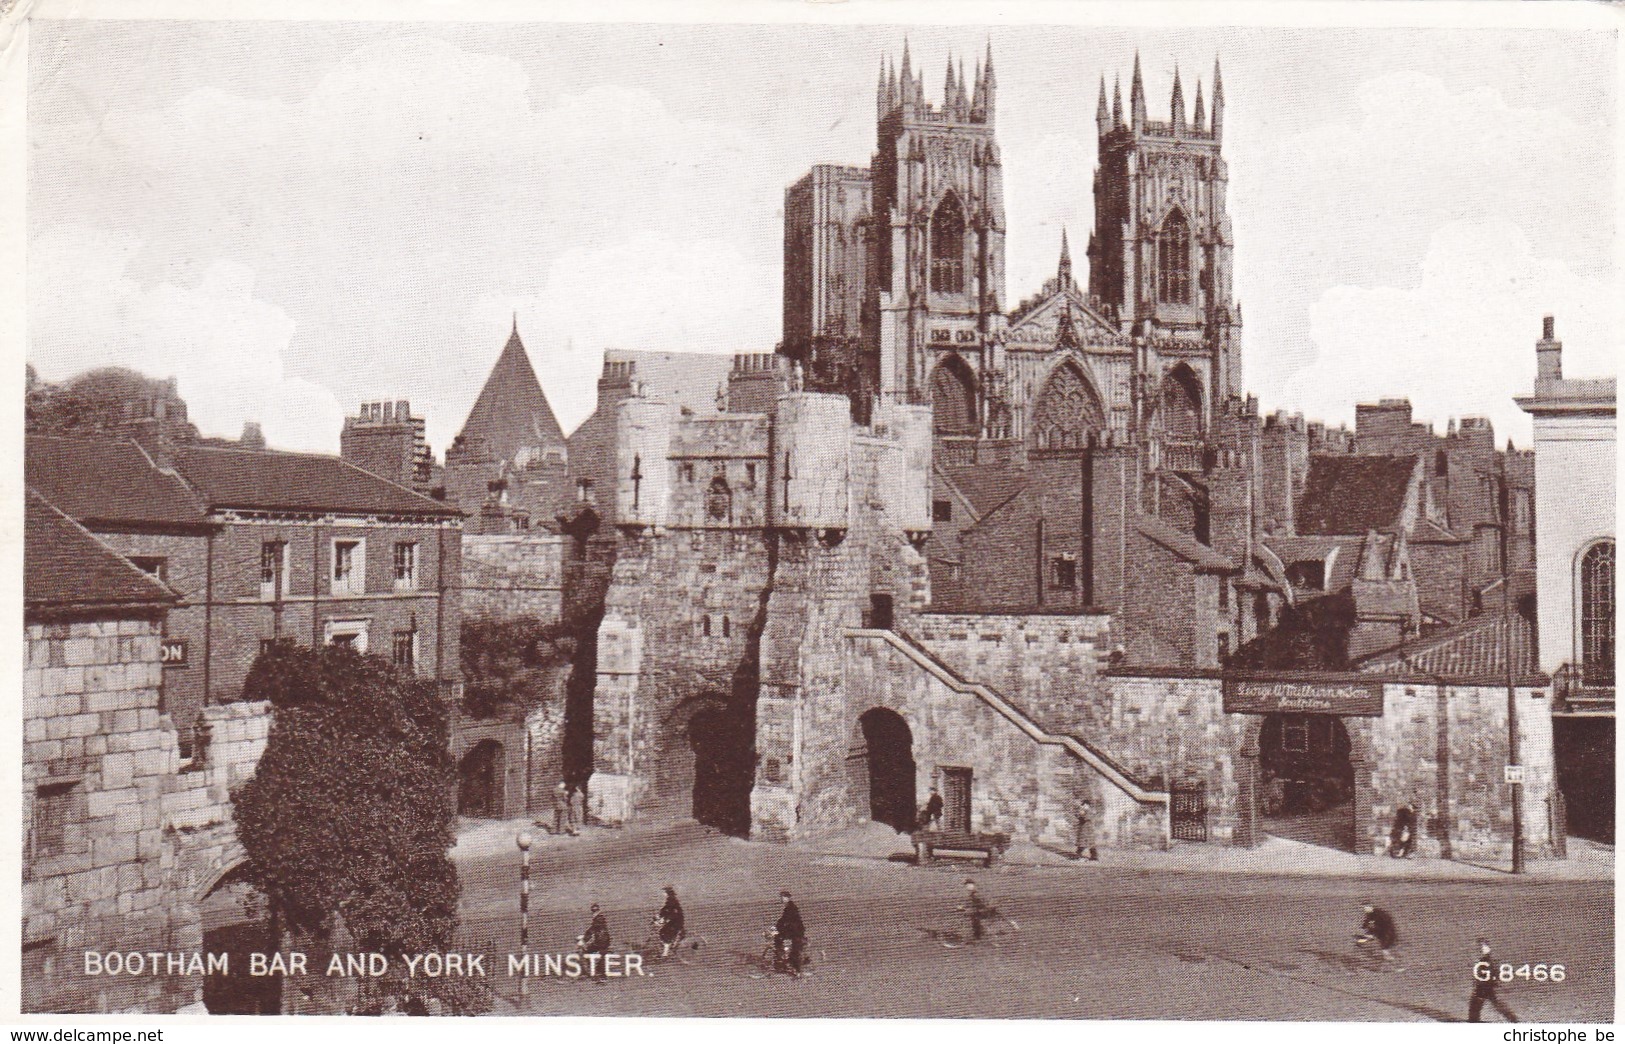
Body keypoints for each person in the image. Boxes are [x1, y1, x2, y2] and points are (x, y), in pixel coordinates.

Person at [1469, 937, 1519, 1023]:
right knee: (1492, 1002)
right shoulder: (1485, 960)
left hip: (1484, 985)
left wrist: (1482, 982)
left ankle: (1473, 1021)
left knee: (1476, 1003)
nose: (1480, 948)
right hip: (1485, 985)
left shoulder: (1486, 961)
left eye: (1483, 946)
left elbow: (1487, 973)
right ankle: (1512, 1018)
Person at [1355, 901, 1399, 968]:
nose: (1365, 910)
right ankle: (1359, 942)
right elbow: (1368, 921)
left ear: (1371, 907)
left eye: (1366, 908)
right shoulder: (1371, 913)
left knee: (1385, 949)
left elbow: (1381, 923)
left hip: (1385, 932)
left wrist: (1370, 930)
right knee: (1382, 948)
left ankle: (1395, 965)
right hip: (1380, 931)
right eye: (1364, 908)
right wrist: (1364, 926)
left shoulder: (1378, 914)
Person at [773, 890, 806, 976]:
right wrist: (776, 927)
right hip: (791, 930)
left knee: (794, 952)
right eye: (781, 897)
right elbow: (782, 920)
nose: (781, 899)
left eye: (783, 897)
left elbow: (789, 921)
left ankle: (798, 972)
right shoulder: (787, 907)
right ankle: (782, 959)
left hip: (796, 932)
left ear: (788, 898)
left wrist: (781, 928)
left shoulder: (792, 908)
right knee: (778, 939)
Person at [580, 902, 611, 983]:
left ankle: (597, 974)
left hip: (601, 943)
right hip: (603, 942)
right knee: (601, 957)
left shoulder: (598, 919)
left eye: (594, 910)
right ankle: (600, 974)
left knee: (589, 953)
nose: (594, 912)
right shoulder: (599, 918)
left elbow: (592, 930)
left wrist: (585, 940)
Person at [959, 878, 995, 942]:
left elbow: (981, 904)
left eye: (968, 885)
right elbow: (972, 903)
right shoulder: (973, 893)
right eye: (966, 886)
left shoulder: (976, 893)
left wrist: (966, 908)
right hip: (984, 909)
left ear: (972, 884)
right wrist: (964, 907)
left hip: (986, 909)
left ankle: (978, 936)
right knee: (972, 915)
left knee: (974, 917)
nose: (967, 887)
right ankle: (978, 934)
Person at [656, 885, 686, 958]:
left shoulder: (671, 901)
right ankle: (670, 947)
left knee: (664, 933)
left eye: (665, 892)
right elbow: (665, 910)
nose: (664, 894)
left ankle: (665, 954)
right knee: (663, 932)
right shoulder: (671, 900)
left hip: (676, 922)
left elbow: (668, 911)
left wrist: (661, 919)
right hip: (675, 921)